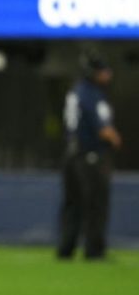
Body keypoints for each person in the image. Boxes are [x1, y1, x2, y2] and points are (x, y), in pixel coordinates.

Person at [58, 52, 121, 260]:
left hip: (71, 153)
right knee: (96, 203)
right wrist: (114, 138)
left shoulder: (75, 91)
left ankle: (65, 249)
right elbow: (103, 129)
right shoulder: (93, 94)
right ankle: (94, 250)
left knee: (72, 204)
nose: (107, 75)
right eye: (103, 71)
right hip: (90, 154)